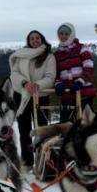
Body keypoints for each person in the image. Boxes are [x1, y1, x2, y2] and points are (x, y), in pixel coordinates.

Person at [8, 30, 57, 168]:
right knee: (24, 130)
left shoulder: (48, 57)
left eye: (37, 38)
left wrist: (37, 85)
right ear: (28, 41)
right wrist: (25, 83)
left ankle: (43, 161)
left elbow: (50, 77)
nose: (35, 40)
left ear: (42, 39)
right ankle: (27, 162)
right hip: (22, 95)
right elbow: (14, 74)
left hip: (40, 95)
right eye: (32, 39)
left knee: (41, 130)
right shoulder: (22, 55)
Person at [54, 22, 97, 121]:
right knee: (66, 126)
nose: (63, 36)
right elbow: (56, 74)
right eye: (61, 34)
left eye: (66, 34)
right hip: (67, 95)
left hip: (84, 93)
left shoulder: (82, 49)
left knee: (86, 124)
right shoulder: (57, 54)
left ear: (72, 34)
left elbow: (89, 68)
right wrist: (58, 83)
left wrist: (80, 82)